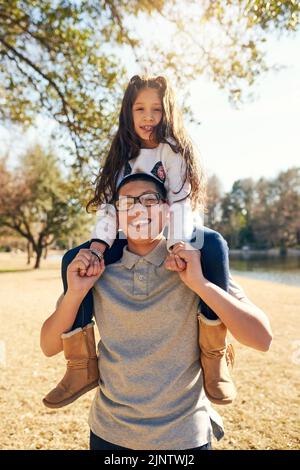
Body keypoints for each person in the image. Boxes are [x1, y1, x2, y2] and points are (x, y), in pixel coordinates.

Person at [40, 174, 273, 451]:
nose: (139, 210)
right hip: (109, 435)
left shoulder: (195, 264)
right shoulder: (97, 271)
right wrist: (75, 293)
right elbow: (48, 345)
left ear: (167, 210)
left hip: (186, 438)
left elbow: (262, 339)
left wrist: (201, 285)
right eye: (127, 203)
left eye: (150, 201)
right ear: (116, 217)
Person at [43, 74, 234, 409]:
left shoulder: (174, 152)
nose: (148, 116)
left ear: (168, 112)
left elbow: (178, 204)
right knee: (72, 257)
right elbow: (108, 206)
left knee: (215, 245)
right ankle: (80, 364)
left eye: (156, 109)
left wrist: (177, 245)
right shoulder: (120, 155)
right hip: (123, 233)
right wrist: (98, 248)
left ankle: (214, 356)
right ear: (128, 113)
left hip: (175, 228)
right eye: (140, 108)